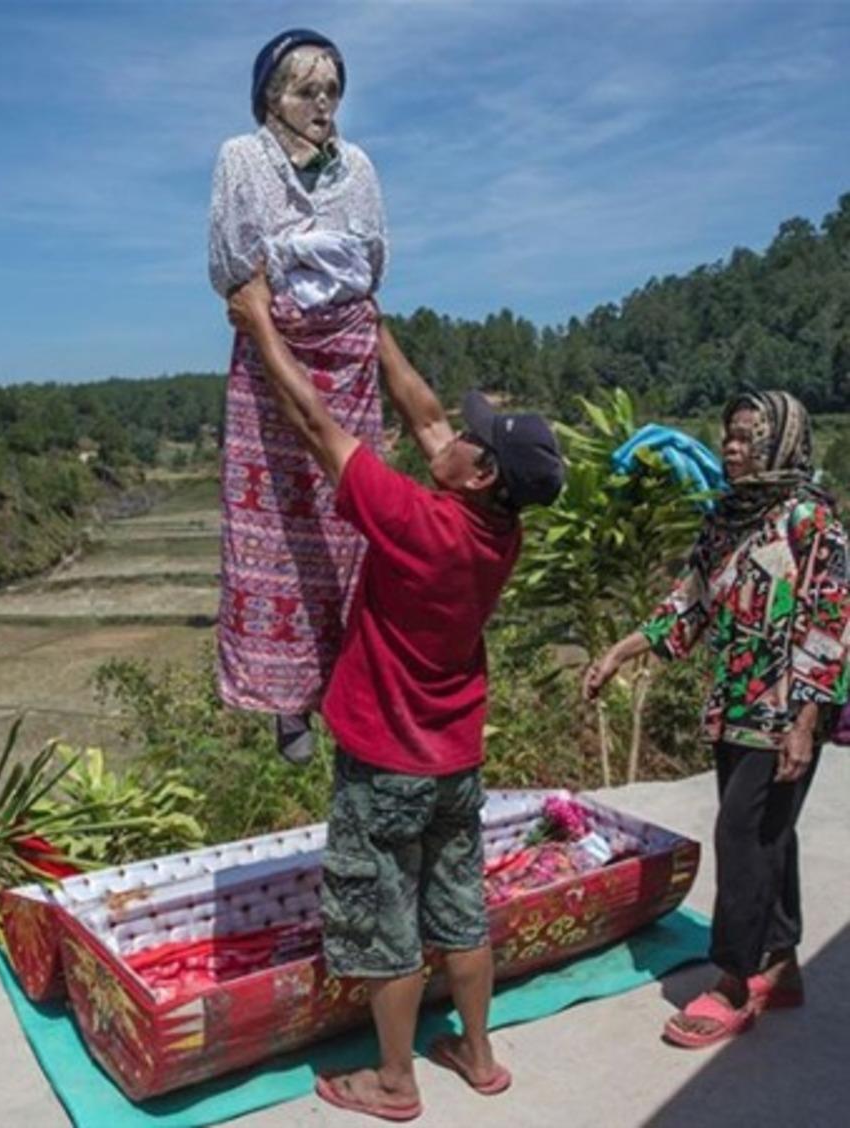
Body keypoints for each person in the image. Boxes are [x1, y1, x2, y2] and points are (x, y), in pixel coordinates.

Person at [227, 272, 564, 1120]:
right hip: (455, 758)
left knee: (385, 919)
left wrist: (263, 324)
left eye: (470, 437)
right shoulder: (498, 528)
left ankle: (395, 1078)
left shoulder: (416, 522)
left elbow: (316, 426)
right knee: (458, 906)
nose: (446, 430)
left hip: (386, 766)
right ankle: (478, 1058)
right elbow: (421, 413)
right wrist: (370, 328)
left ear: (479, 475)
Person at [584, 391, 849, 1049]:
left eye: (747, 437)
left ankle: (733, 979)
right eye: (729, 436)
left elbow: (832, 621)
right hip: (734, 704)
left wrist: (806, 718)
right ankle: (781, 964)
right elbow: (688, 605)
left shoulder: (814, 523)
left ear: (781, 442)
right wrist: (620, 650)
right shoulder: (725, 522)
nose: (731, 447)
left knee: (741, 833)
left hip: (788, 708)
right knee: (769, 834)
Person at [209, 28, 389, 764]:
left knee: (348, 511)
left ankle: (346, 680)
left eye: (331, 91)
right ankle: (286, 700)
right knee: (273, 521)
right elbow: (231, 260)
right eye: (304, 90)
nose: (321, 105)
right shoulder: (241, 158)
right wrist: (290, 276)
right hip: (273, 345)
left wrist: (308, 265)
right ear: (271, 97)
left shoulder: (360, 169)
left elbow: (371, 259)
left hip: (346, 354)